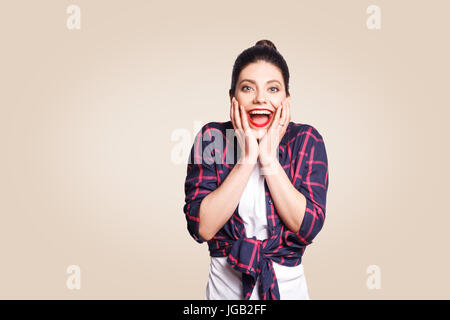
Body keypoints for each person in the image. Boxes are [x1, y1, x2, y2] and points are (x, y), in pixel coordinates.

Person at [183, 40, 329, 300]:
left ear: (286, 100)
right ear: (233, 98)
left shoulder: (307, 139)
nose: (260, 98)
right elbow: (202, 227)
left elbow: (306, 227)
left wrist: (269, 158)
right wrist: (248, 157)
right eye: (248, 88)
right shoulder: (212, 137)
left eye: (273, 89)